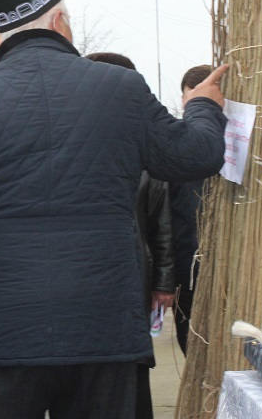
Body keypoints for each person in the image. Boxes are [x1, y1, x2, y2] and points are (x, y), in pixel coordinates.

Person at [0, 0, 228, 419]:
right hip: (102, 331)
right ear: (59, 20)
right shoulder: (120, 88)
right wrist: (203, 106)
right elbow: (194, 156)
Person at [85, 52, 175, 419]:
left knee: (131, 368)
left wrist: (163, 283)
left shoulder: (144, 149)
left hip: (132, 278)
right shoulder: (76, 144)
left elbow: (161, 226)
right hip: (83, 282)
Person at [168, 64, 214, 355]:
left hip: (230, 263)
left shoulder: (239, 143)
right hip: (187, 267)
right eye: (190, 98)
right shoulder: (173, 143)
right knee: (192, 343)